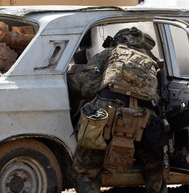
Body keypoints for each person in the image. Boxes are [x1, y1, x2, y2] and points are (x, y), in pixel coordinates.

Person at [68, 27, 168, 193]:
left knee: (86, 171)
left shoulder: (109, 53)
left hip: (106, 113)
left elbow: (85, 87)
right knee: (154, 170)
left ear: (119, 41)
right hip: (145, 119)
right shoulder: (150, 61)